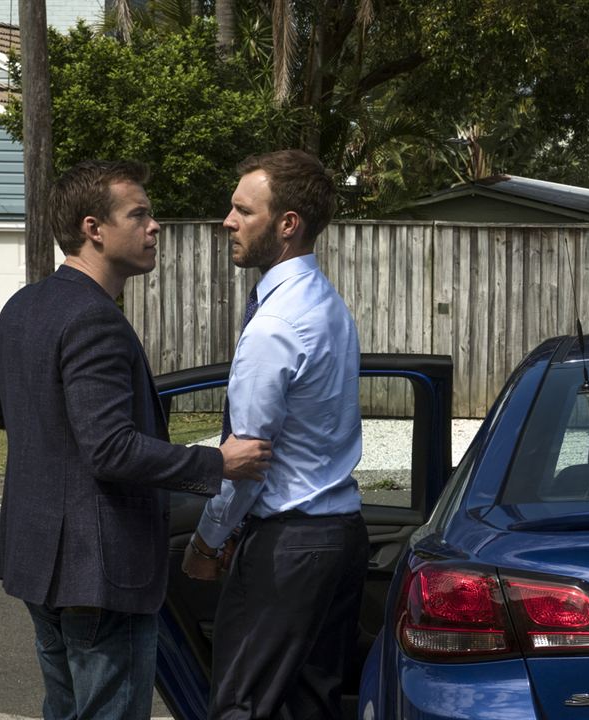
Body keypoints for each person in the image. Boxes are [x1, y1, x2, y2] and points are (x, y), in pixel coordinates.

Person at [0, 159, 273, 720]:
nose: (154, 226)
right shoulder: (94, 319)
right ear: (93, 229)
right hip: (99, 571)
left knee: (64, 709)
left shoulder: (22, 307)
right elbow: (110, 449)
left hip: (38, 562)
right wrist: (217, 462)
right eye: (140, 214)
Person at [181, 149, 367, 720]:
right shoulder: (328, 306)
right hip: (340, 536)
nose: (227, 220)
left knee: (242, 705)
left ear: (287, 224)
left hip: (289, 548)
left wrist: (209, 541)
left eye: (242, 210)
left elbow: (248, 459)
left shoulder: (276, 325)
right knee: (310, 705)